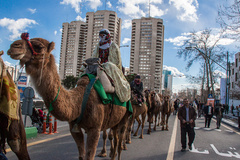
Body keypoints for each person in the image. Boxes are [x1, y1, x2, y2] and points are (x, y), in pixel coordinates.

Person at [79, 29, 131, 102]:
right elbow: (94, 56)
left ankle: (114, 89)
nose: (101, 37)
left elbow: (117, 61)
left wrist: (104, 64)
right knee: (86, 69)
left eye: (103, 35)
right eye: (100, 36)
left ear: (107, 36)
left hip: (109, 66)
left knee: (107, 64)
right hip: (99, 65)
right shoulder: (98, 46)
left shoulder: (114, 46)